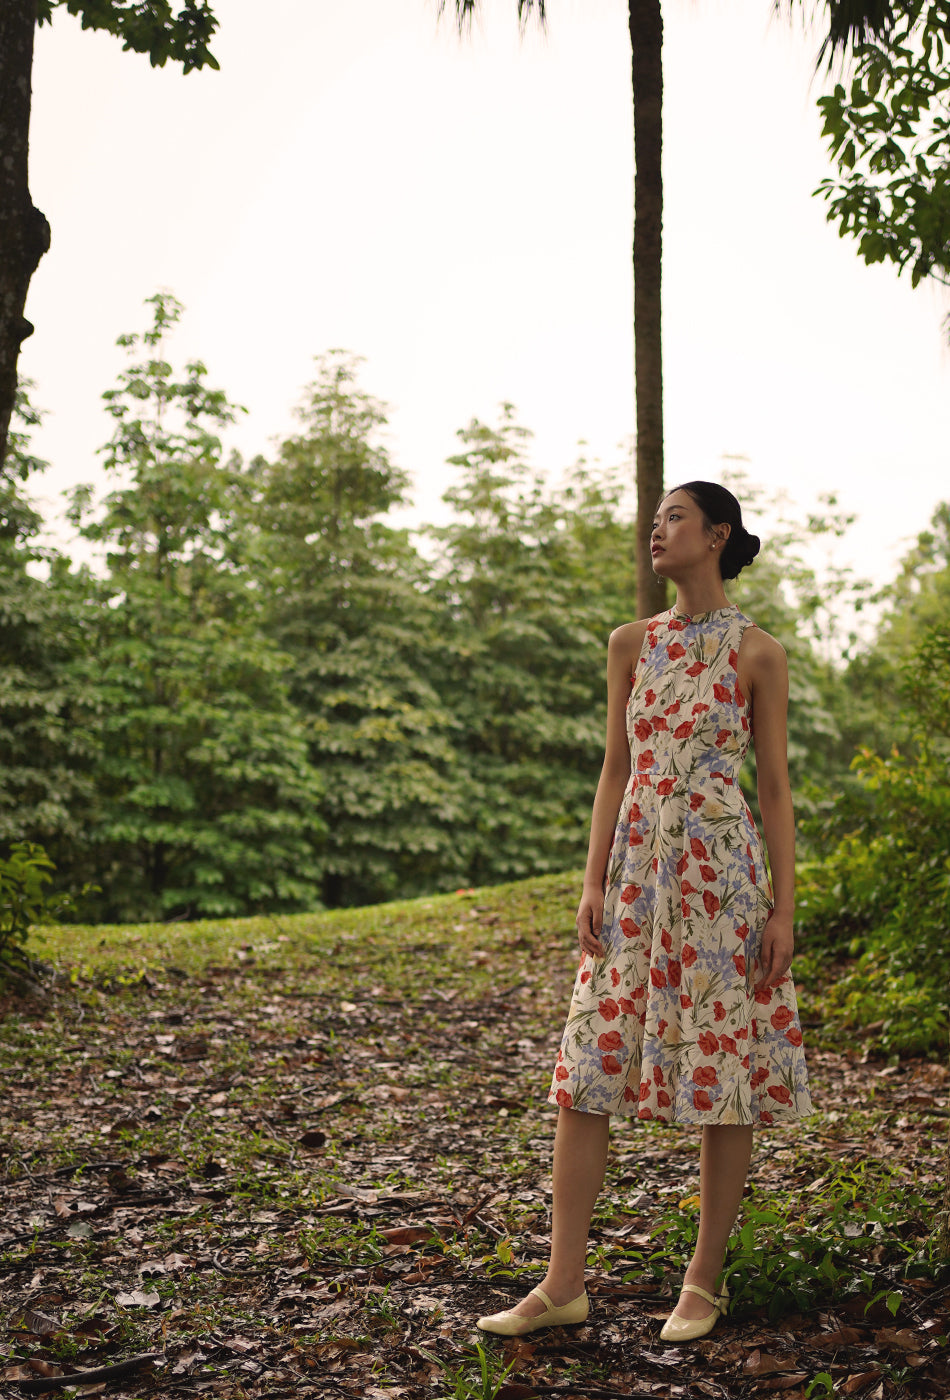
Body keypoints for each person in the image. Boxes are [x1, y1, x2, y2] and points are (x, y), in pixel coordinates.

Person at [477, 481, 812, 1343]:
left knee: (721, 1076)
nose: (655, 530)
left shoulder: (758, 653)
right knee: (586, 1067)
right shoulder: (631, 644)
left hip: (722, 879)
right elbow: (613, 771)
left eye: (673, 518)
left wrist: (783, 910)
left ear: (717, 535)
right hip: (633, 876)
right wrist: (592, 882)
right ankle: (562, 1284)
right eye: (655, 518)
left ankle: (702, 1282)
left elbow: (773, 788)